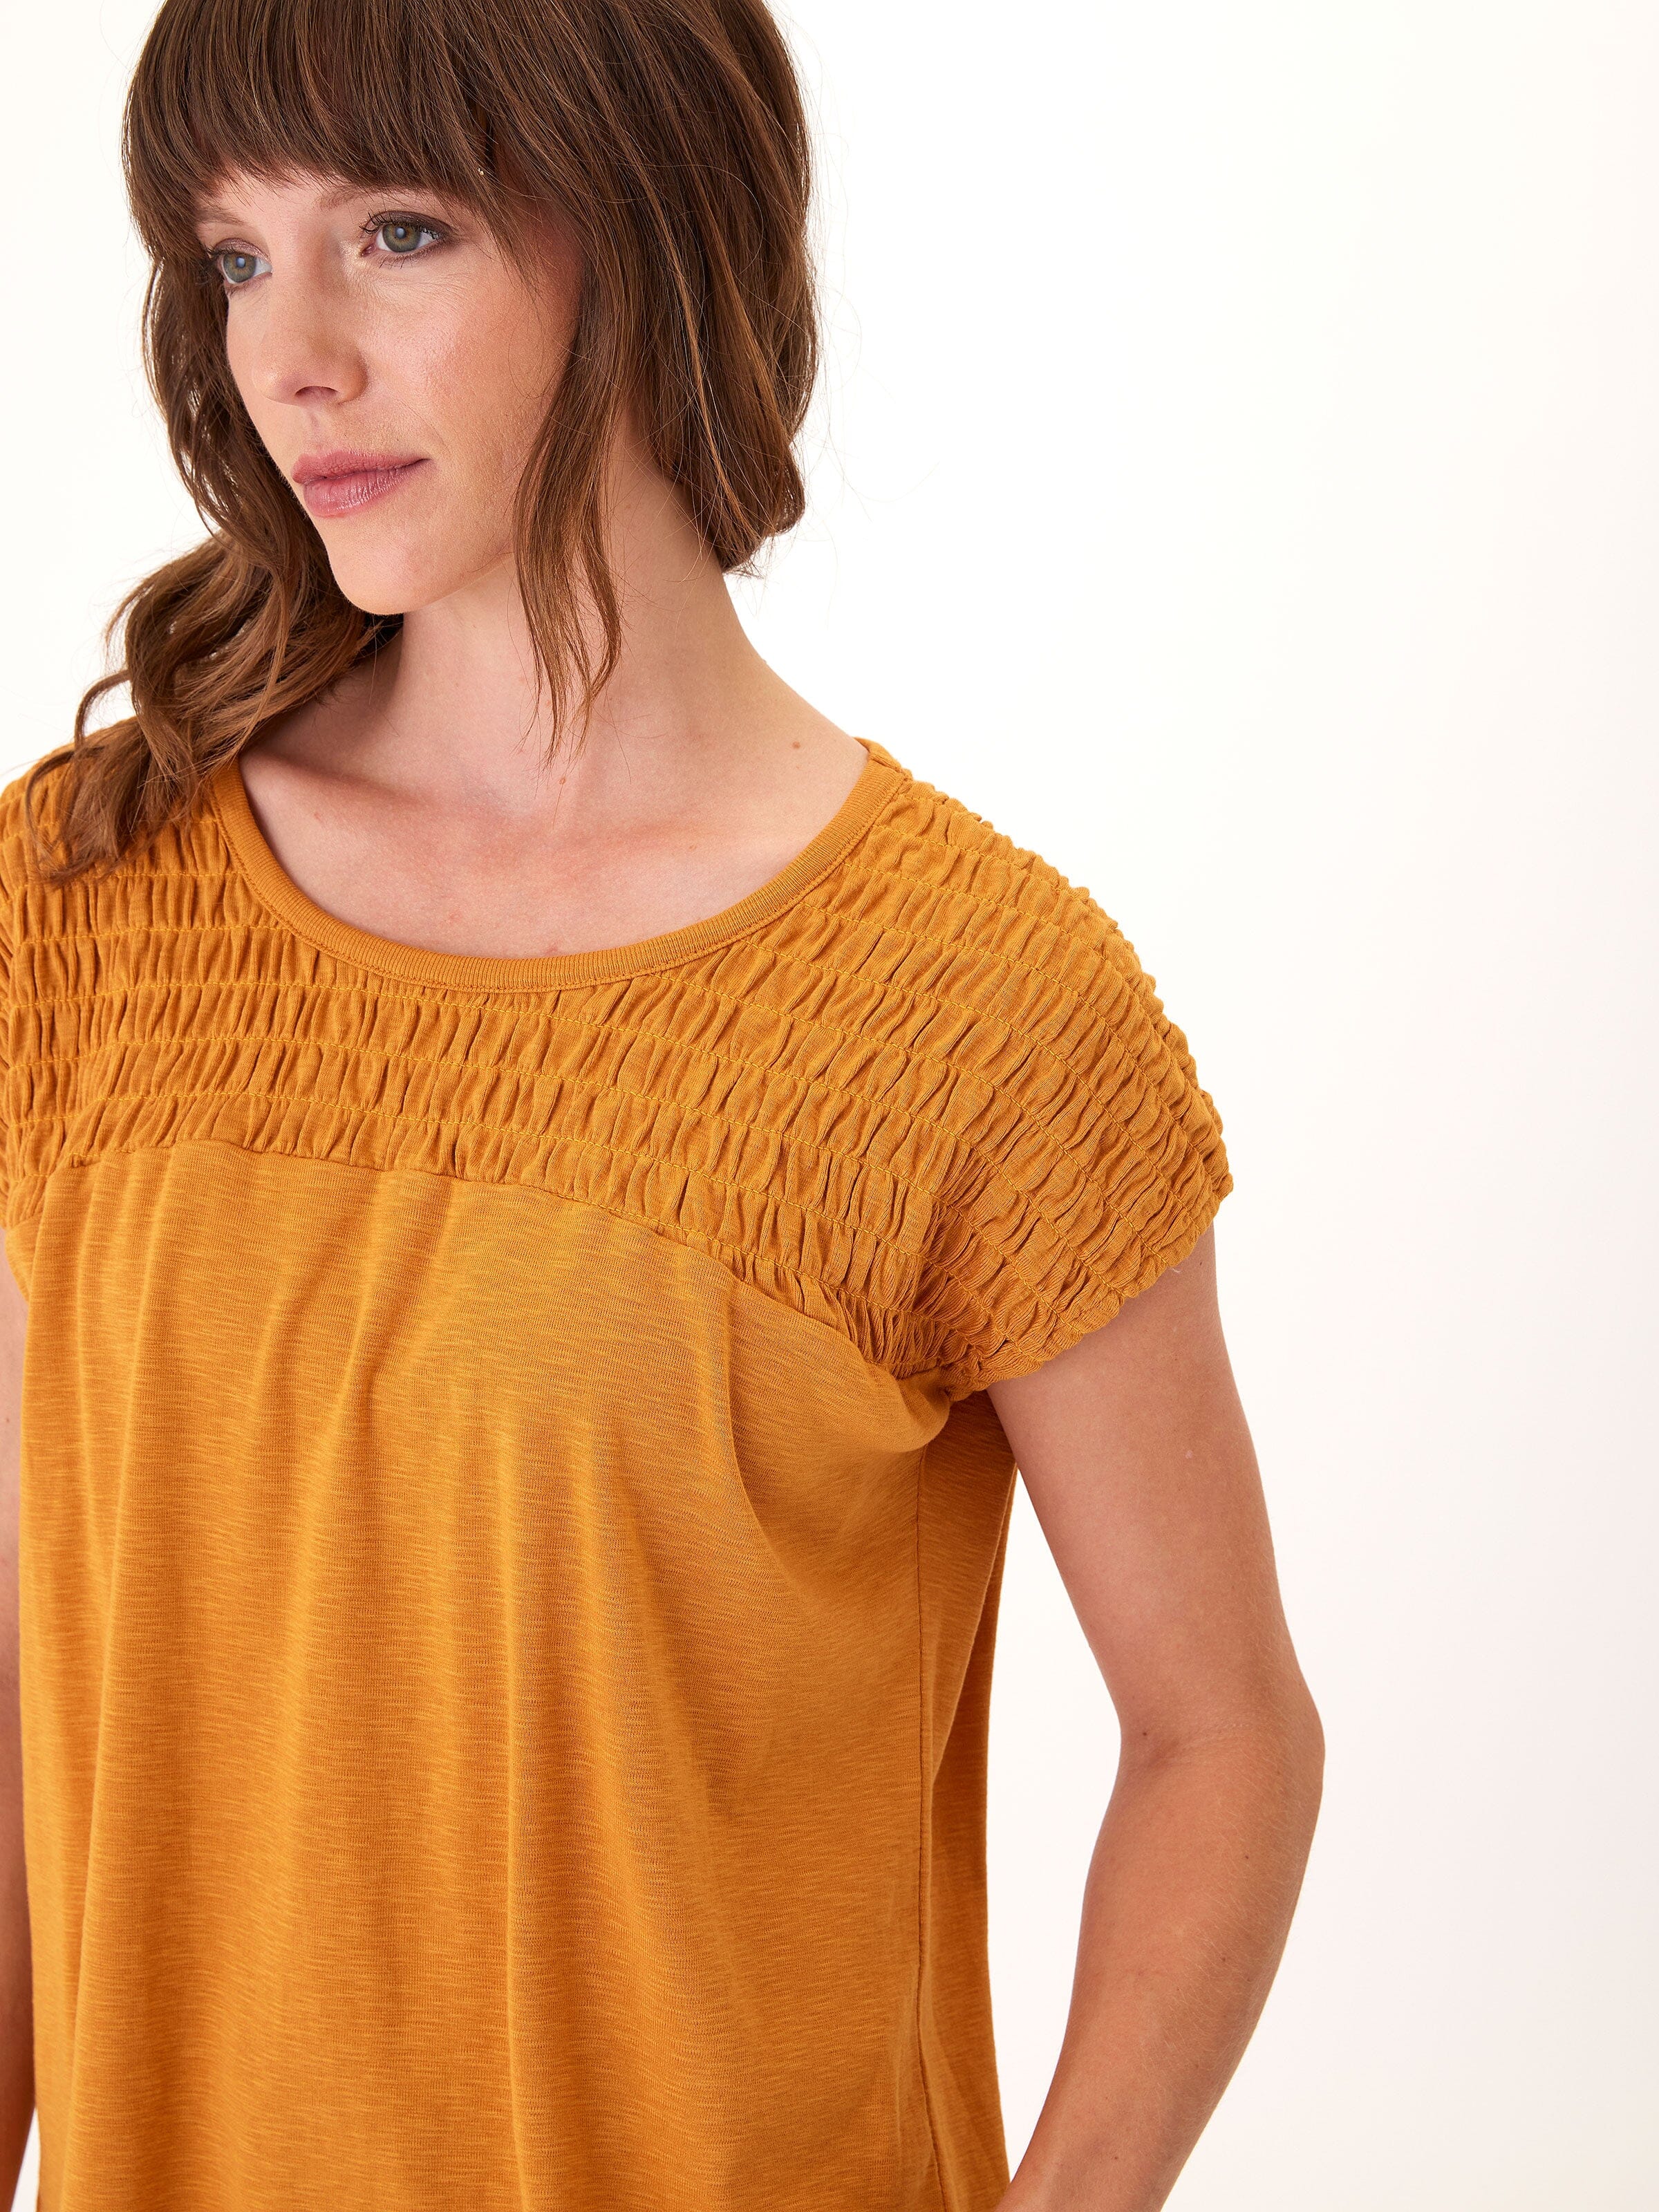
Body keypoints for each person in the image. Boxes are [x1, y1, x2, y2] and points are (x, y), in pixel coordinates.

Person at [0, 0, 1324, 2205]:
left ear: (647, 224)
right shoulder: (87, 897)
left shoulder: (974, 1007)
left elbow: (1224, 1735)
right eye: (234, 257)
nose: (288, 355)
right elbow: (29, 1674)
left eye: (395, 232)